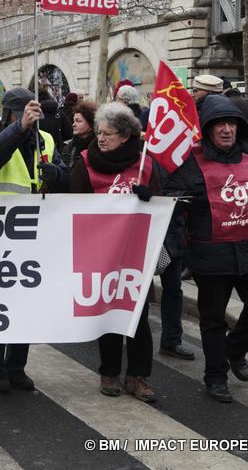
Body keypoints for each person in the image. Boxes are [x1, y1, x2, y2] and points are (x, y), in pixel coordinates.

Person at [166, 95, 248, 403]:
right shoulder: (190, 161)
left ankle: (234, 349)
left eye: (232, 124)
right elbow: (169, 199)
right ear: (207, 129)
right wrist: (169, 201)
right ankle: (216, 377)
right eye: (219, 124)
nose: (226, 129)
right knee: (213, 319)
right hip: (210, 257)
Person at [0, 88, 68, 393]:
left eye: (32, 115)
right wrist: (20, 128)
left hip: (33, 235)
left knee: (26, 302)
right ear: (9, 114)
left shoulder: (45, 139)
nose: (31, 120)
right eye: (22, 114)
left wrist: (57, 175)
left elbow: (67, 179)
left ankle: (16, 365)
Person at [69, 102, 160, 402]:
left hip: (136, 255)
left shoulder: (145, 165)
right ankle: (108, 372)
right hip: (101, 254)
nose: (101, 139)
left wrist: (149, 199)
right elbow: (73, 206)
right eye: (99, 133)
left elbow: (162, 207)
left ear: (125, 136)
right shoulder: (85, 163)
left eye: (108, 134)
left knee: (138, 317)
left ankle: (138, 377)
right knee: (108, 313)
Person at [61, 101, 97, 169]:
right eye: (74, 121)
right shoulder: (68, 147)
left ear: (90, 124)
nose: (74, 124)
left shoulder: (98, 147)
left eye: (78, 121)